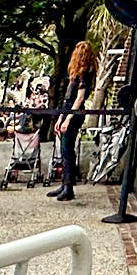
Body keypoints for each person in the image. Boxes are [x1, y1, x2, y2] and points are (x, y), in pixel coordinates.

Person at [50, 42, 97, 203]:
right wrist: (61, 118)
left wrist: (68, 118)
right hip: (69, 110)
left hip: (74, 113)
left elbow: (79, 98)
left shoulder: (84, 74)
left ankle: (68, 187)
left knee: (67, 149)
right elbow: (68, 100)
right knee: (65, 150)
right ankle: (65, 184)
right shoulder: (77, 74)